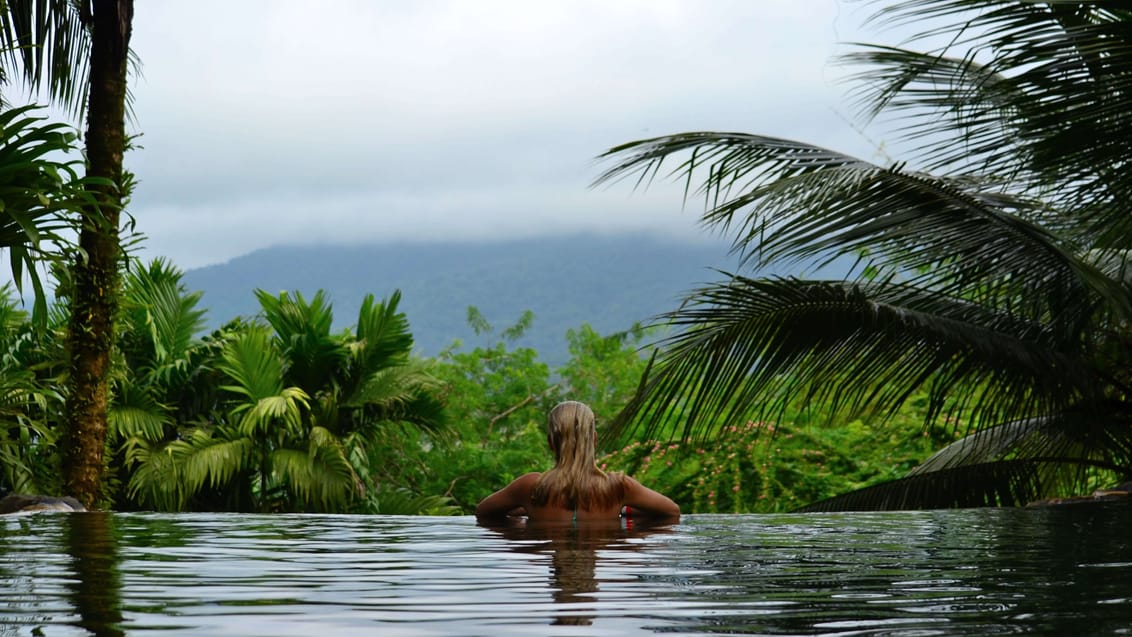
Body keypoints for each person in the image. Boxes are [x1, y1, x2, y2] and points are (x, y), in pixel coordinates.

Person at [475, 400, 680, 522]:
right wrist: (624, 509)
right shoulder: (618, 487)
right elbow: (672, 512)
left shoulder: (530, 487)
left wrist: (523, 510)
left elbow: (483, 513)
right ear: (595, 440)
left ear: (550, 442)